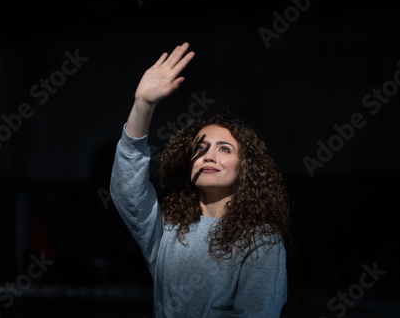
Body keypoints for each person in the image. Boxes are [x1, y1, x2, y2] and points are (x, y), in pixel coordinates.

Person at [110, 42, 292, 317]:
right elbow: (128, 188)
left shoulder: (261, 239)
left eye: (224, 149)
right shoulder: (168, 229)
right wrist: (143, 105)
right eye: (200, 148)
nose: (208, 156)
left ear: (246, 168)